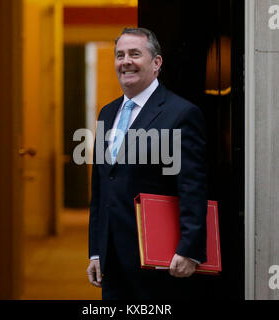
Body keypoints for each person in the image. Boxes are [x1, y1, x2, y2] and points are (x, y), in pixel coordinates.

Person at [87, 27, 207, 300]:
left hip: (159, 260)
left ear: (156, 63)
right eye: (119, 55)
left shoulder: (181, 114)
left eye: (134, 54)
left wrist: (189, 248)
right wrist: (96, 250)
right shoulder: (107, 113)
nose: (125, 61)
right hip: (112, 261)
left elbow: (192, 187)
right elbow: (102, 188)